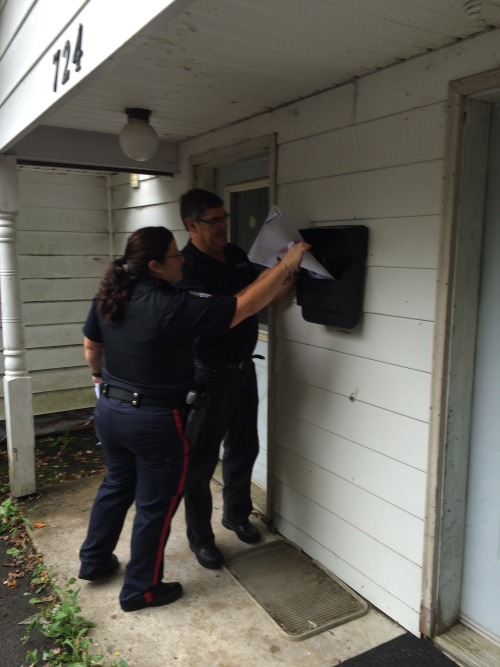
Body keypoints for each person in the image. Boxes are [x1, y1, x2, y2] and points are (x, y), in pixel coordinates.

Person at [78, 225, 309, 611]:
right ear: (154, 265)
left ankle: (95, 560)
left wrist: (100, 379)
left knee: (117, 485)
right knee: (155, 506)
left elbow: (91, 347)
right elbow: (244, 307)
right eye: (174, 255)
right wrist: (286, 262)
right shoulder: (173, 304)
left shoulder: (111, 294)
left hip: (110, 411)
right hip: (154, 420)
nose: (181, 260)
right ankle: (141, 589)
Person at [179, 188, 297, 570]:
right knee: (198, 463)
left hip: (242, 370)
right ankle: (201, 538)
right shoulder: (186, 268)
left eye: (225, 218)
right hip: (207, 377)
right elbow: (235, 309)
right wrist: (272, 278)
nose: (224, 226)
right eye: (214, 221)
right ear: (191, 225)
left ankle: (237, 515)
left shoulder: (234, 256)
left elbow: (264, 297)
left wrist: (292, 272)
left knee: (244, 447)